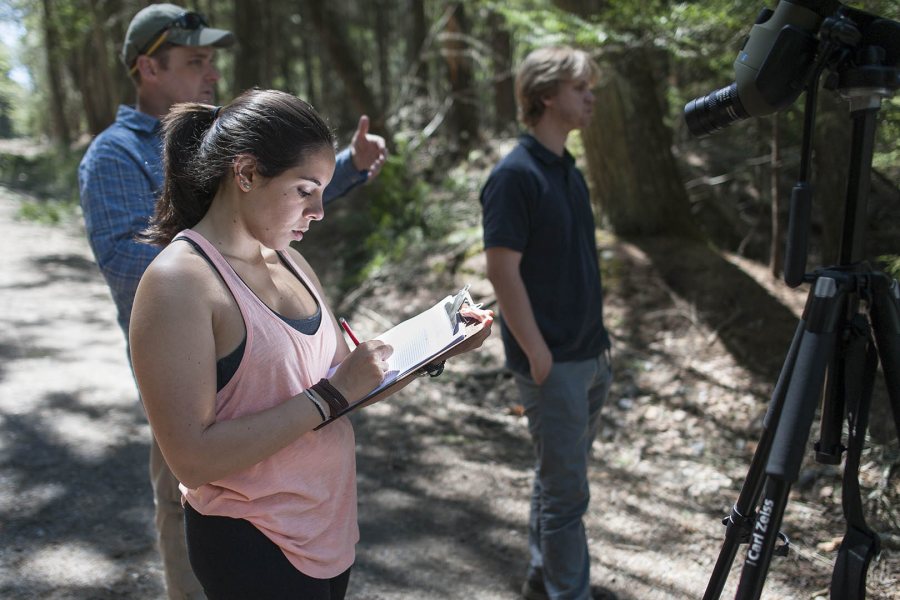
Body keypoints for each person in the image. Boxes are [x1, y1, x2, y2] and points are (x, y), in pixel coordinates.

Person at [128, 88, 492, 599]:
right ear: (247, 173)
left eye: (322, 189)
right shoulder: (179, 282)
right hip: (251, 542)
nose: (320, 209)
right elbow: (191, 457)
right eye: (305, 190)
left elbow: (346, 379)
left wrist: (439, 348)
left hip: (325, 529)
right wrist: (329, 397)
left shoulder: (288, 259)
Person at [77, 4, 388, 598]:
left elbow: (284, 192)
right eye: (196, 60)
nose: (212, 73)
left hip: (317, 522)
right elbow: (125, 260)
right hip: (199, 386)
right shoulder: (118, 163)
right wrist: (223, 273)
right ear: (148, 66)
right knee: (187, 551)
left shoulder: (273, 238)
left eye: (214, 61)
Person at [479, 46, 615, 600]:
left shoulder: (567, 169)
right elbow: (501, 269)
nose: (591, 97)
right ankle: (567, 592)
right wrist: (536, 352)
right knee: (566, 494)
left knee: (557, 478)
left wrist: (600, 348)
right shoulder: (515, 175)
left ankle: (543, 576)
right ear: (545, 95)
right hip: (552, 361)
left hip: (589, 355)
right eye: (581, 87)